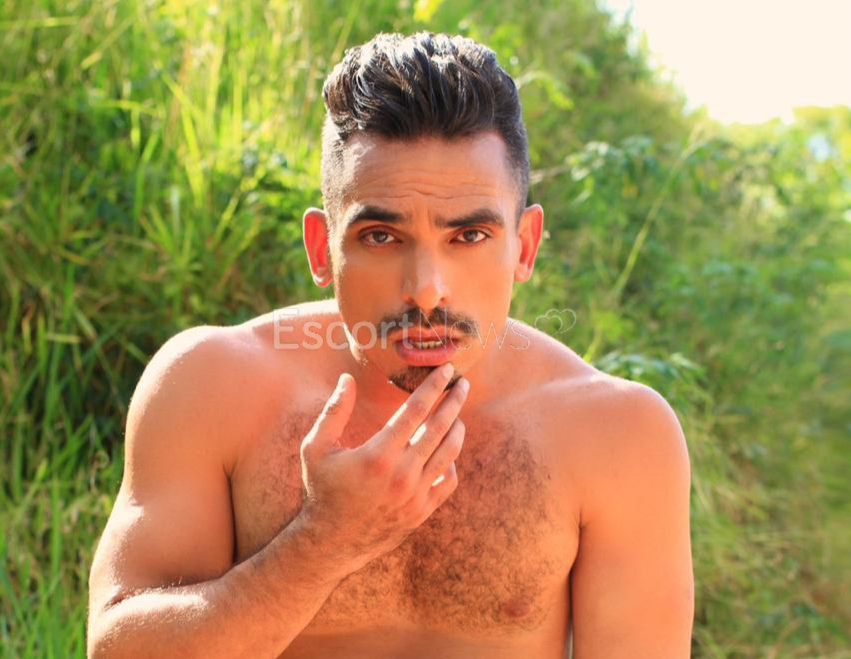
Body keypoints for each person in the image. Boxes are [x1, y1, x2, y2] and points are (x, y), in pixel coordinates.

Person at [87, 31, 694, 659]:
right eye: (381, 236)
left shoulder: (618, 435)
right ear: (322, 249)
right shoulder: (212, 387)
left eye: (469, 237)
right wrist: (323, 540)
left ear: (524, 245)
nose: (426, 289)